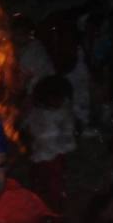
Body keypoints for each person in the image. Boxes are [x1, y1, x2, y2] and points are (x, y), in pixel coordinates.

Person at [24, 74, 75, 215]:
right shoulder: (36, 114)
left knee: (55, 194)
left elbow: (68, 138)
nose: (57, 101)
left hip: (56, 160)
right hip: (39, 161)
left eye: (60, 97)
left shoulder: (65, 113)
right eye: (54, 97)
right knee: (40, 194)